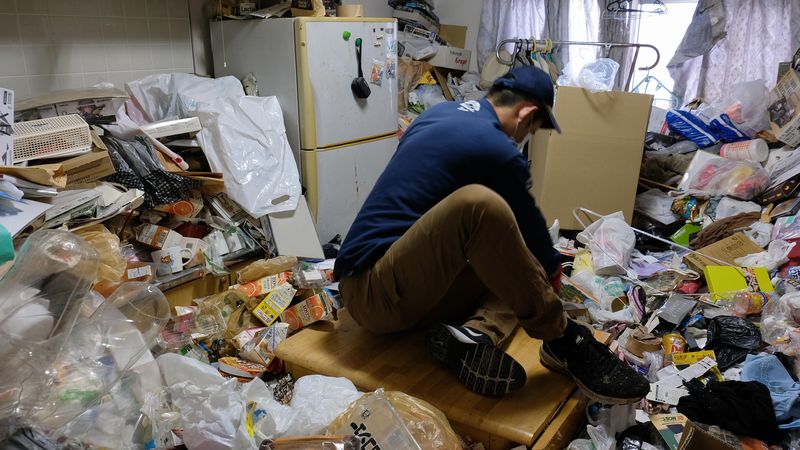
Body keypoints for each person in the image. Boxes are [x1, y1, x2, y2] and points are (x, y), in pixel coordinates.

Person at [333, 66, 649, 404]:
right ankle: (564, 339)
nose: (523, 139)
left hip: (393, 283)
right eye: (531, 130)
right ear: (526, 114)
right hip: (374, 290)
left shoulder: (440, 114)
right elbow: (533, 235)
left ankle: (474, 336)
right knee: (481, 207)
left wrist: (532, 274)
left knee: (511, 269)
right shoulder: (496, 147)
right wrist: (550, 275)